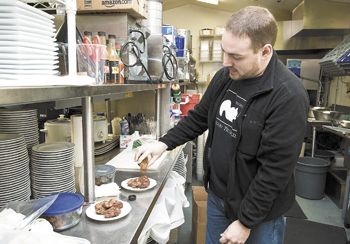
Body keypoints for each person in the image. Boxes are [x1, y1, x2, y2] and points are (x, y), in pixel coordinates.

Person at [135, 6, 309, 244]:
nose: (226, 62)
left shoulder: (288, 95)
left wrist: (246, 221)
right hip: (218, 197)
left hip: (259, 214)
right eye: (225, 52)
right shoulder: (226, 76)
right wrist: (163, 143)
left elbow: (275, 170)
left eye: (236, 56)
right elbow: (199, 118)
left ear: (265, 51)